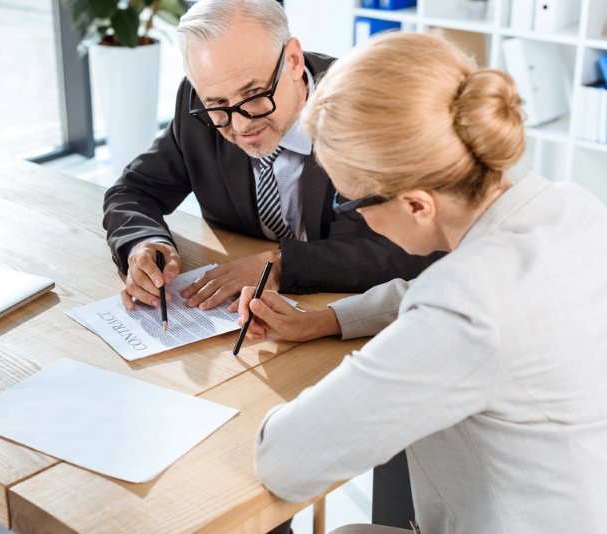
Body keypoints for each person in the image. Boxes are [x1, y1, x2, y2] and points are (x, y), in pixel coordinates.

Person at [238, 31, 607, 533]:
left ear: (416, 204)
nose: (353, 217)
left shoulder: (467, 308)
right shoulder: (570, 205)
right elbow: (451, 297)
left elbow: (284, 461)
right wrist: (324, 321)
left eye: (349, 202)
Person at [102, 0, 439, 314]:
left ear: (292, 60)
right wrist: (144, 242)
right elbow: (133, 190)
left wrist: (282, 265)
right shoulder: (197, 105)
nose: (240, 125)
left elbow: (428, 244)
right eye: (218, 105)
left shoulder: (371, 110)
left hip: (358, 313)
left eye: (254, 93)